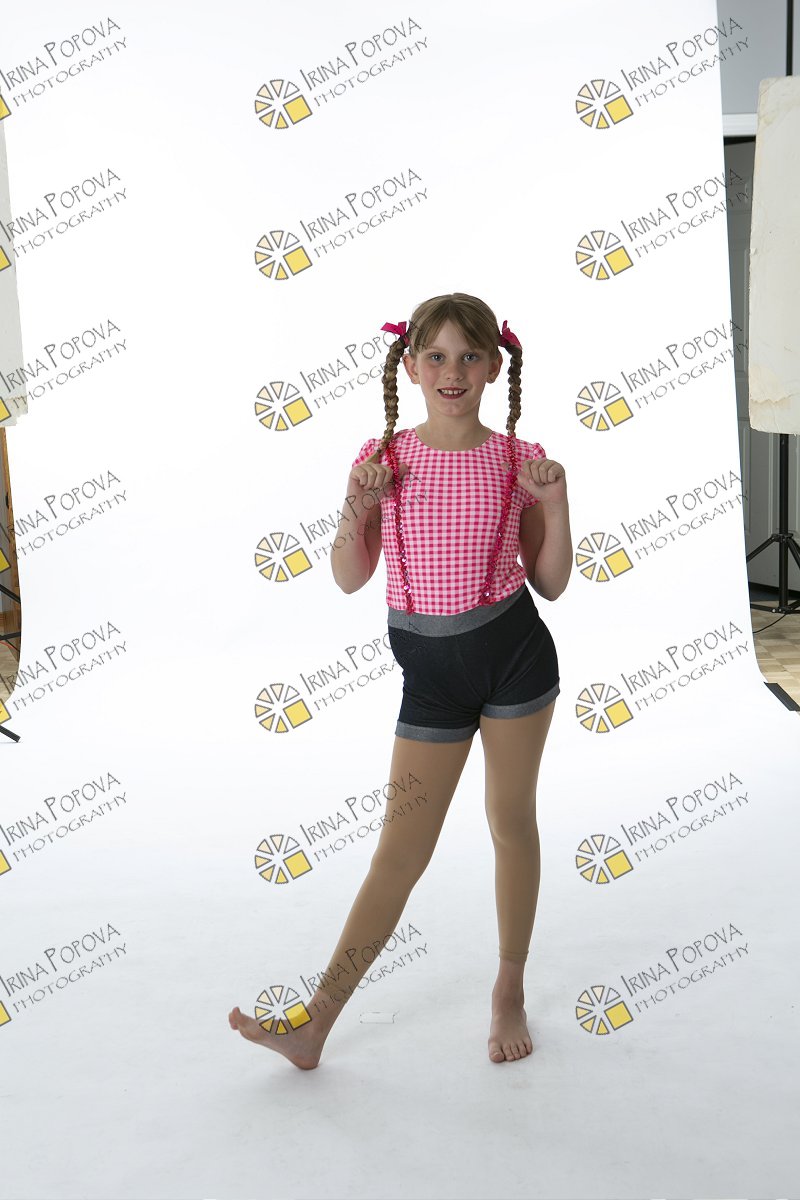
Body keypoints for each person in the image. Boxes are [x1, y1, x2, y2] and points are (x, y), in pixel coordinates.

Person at [229, 292, 572, 1066]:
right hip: (432, 677)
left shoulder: (517, 459)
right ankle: (315, 1026)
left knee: (509, 822)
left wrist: (556, 505)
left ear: (494, 367)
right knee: (398, 852)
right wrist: (355, 507)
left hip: (514, 657)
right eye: (437, 356)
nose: (453, 371)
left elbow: (550, 584)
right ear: (411, 366)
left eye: (470, 356)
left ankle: (509, 989)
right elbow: (350, 577)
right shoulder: (385, 458)